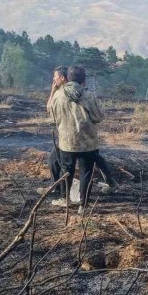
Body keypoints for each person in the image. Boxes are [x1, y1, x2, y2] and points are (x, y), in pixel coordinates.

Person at [44, 66, 118, 202]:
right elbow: (99, 117)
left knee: (66, 170)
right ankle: (83, 205)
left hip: (67, 142)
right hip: (88, 142)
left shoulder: (58, 96)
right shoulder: (89, 96)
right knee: (86, 173)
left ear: (67, 78)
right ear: (84, 81)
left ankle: (64, 199)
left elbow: (53, 117)